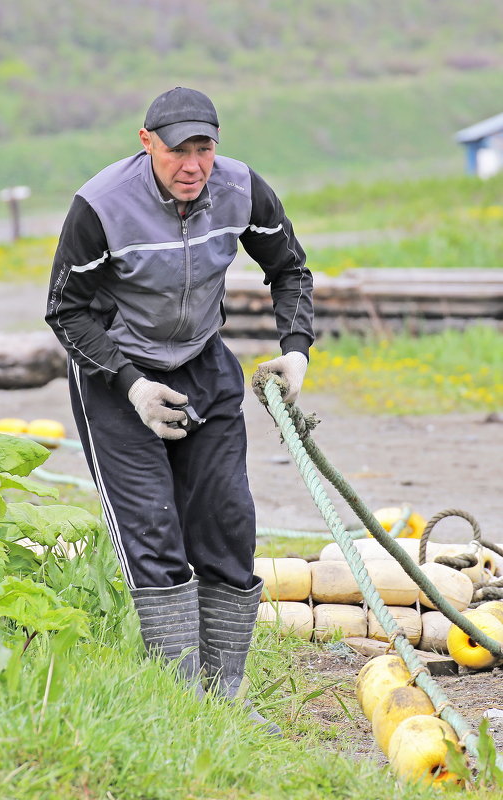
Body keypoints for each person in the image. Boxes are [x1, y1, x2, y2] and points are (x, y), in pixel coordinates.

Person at [46, 87, 314, 735]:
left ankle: (225, 697)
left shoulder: (243, 189)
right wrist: (132, 384)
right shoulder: (102, 205)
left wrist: (296, 351)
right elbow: (66, 310)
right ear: (147, 144)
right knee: (154, 534)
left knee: (227, 522)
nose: (193, 164)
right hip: (117, 378)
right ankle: (178, 702)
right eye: (177, 151)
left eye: (205, 148)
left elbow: (290, 269)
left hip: (203, 365)